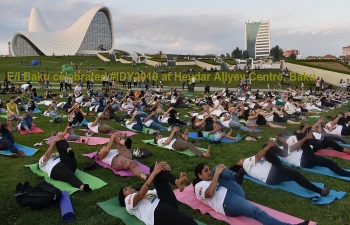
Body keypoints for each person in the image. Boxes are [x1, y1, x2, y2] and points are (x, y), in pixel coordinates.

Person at [192, 163, 309, 225]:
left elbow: (217, 177)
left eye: (207, 170)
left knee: (216, 169)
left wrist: (220, 172)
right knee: (256, 212)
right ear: (199, 175)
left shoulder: (210, 180)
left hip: (234, 193)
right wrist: (217, 174)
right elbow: (210, 193)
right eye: (205, 171)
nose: (208, 173)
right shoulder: (198, 186)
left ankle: (235, 177)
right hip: (226, 202)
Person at [232, 140, 330, 196]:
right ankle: (320, 191)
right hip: (270, 174)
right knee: (295, 174)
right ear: (239, 165)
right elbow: (257, 157)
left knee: (265, 146)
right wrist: (268, 146)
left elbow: (261, 156)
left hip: (272, 171)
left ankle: (284, 151)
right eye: (239, 160)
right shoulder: (245, 164)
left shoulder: (250, 166)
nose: (241, 159)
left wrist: (271, 147)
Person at [118, 161, 197, 225]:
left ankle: (177, 182)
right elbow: (140, 195)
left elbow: (163, 190)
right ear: (124, 197)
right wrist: (154, 173)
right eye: (126, 189)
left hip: (167, 204)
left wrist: (166, 173)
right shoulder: (128, 201)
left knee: (154, 168)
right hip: (155, 213)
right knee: (189, 222)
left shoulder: (148, 192)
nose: (129, 187)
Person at [276, 132, 350, 178]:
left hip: (306, 159)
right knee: (329, 163)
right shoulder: (281, 148)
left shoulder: (281, 149)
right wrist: (306, 137)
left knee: (328, 163)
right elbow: (294, 147)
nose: (283, 138)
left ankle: (316, 143)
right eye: (282, 139)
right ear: (281, 143)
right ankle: (317, 143)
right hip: (305, 158)